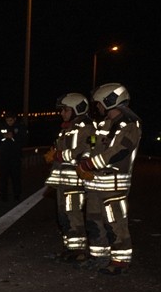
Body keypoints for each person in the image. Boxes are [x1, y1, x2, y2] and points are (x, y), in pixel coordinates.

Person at [77, 83, 141, 275]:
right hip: (96, 184)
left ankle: (120, 261)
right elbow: (94, 145)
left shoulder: (130, 124)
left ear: (109, 100)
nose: (97, 106)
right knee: (94, 222)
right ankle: (99, 257)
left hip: (113, 184)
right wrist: (84, 159)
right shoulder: (105, 123)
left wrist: (90, 164)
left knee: (115, 223)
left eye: (98, 103)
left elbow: (117, 152)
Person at [45, 93, 94, 261]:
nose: (62, 113)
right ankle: (70, 248)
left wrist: (59, 155)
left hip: (75, 181)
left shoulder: (86, 128)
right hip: (63, 182)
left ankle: (79, 251)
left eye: (65, 110)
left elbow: (86, 150)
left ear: (76, 109)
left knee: (73, 215)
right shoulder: (67, 128)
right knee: (63, 216)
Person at [0, 112, 28, 202]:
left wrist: (13, 137)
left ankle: (17, 195)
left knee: (16, 177)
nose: (9, 122)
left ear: (14, 119)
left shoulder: (20, 127)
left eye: (10, 120)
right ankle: (4, 196)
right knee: (3, 178)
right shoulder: (2, 126)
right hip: (4, 157)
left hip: (15, 157)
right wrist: (4, 136)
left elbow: (24, 140)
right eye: (7, 120)